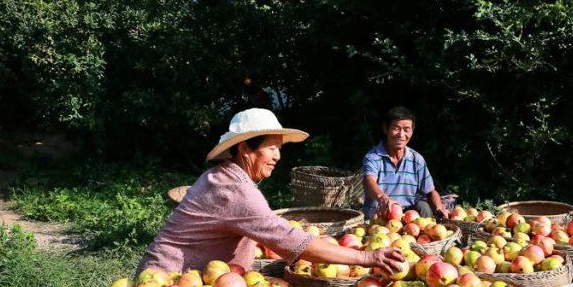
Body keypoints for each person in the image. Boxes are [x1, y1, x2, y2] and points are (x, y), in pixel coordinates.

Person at [137, 108, 404, 275]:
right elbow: (291, 242)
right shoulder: (233, 189)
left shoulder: (223, 177)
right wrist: (366, 257)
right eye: (271, 148)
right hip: (167, 283)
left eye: (280, 148)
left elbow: (266, 227)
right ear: (245, 149)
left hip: (190, 281)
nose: (277, 156)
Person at [362, 106, 447, 220]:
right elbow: (369, 181)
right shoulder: (373, 157)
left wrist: (439, 208)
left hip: (406, 219)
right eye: (396, 128)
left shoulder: (417, 159)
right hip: (378, 219)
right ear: (385, 128)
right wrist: (382, 197)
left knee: (423, 206)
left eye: (406, 130)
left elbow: (431, 191)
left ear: (412, 131)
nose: (401, 135)